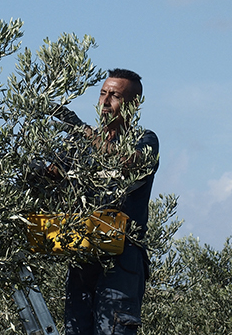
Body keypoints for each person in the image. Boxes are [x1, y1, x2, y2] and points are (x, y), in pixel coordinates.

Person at [56, 68, 159, 335]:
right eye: (102, 93)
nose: (104, 101)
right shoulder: (79, 145)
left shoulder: (145, 140)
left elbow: (128, 162)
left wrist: (83, 131)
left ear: (134, 105)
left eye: (114, 95)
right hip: (84, 256)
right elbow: (54, 177)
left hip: (122, 261)